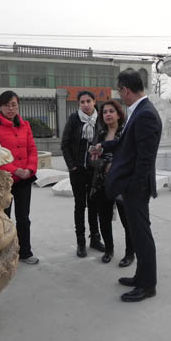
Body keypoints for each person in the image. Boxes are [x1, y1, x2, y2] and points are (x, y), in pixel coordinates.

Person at [94, 69, 162, 302]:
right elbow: (125, 144)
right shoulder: (139, 111)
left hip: (136, 188)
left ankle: (147, 285)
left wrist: (132, 186)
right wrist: (104, 147)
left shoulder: (146, 114)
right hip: (133, 186)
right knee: (137, 233)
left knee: (142, 236)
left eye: (119, 91)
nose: (119, 96)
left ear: (125, 89)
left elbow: (145, 158)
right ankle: (140, 276)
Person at [0, 90, 39, 264]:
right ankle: (4, 253)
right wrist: (15, 170)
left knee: (23, 217)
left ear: (18, 105)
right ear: (0, 106)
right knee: (4, 218)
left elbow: (32, 149)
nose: (10, 108)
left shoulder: (25, 125)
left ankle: (25, 251)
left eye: (14, 104)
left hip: (24, 179)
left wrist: (29, 169)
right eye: (6, 105)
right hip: (4, 180)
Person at [90, 100, 135, 266]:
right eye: (105, 112)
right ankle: (109, 250)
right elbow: (92, 158)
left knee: (127, 220)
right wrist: (103, 164)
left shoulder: (126, 133)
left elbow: (130, 157)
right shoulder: (100, 134)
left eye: (111, 111)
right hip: (102, 182)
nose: (108, 114)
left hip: (122, 184)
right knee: (104, 218)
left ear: (118, 114)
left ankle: (130, 254)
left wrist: (114, 166)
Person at [61, 90, 105, 258]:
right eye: (82, 102)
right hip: (78, 171)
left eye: (88, 101)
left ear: (94, 102)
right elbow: (65, 144)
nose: (85, 104)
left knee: (94, 204)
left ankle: (95, 237)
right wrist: (72, 166)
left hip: (94, 170)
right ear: (78, 104)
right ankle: (81, 241)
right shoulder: (74, 119)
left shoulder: (100, 120)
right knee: (80, 206)